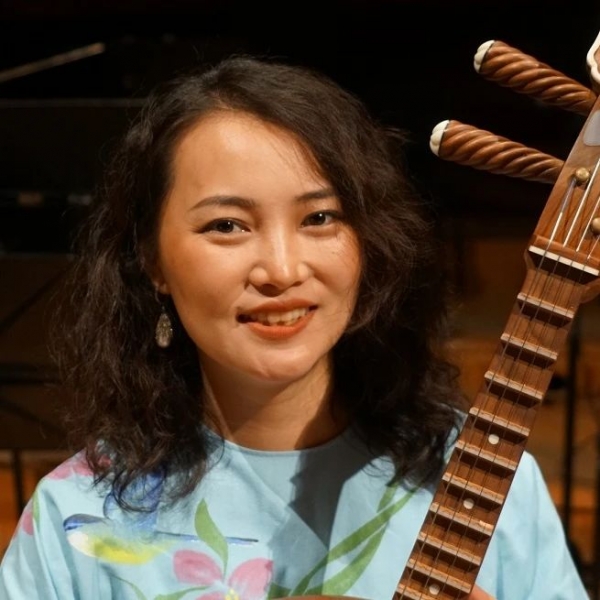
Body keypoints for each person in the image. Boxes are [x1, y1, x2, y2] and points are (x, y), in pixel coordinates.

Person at [0, 55, 587, 600]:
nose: (282, 270)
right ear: (152, 259)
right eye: (227, 225)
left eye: (320, 217)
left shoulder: (482, 480)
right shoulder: (75, 525)